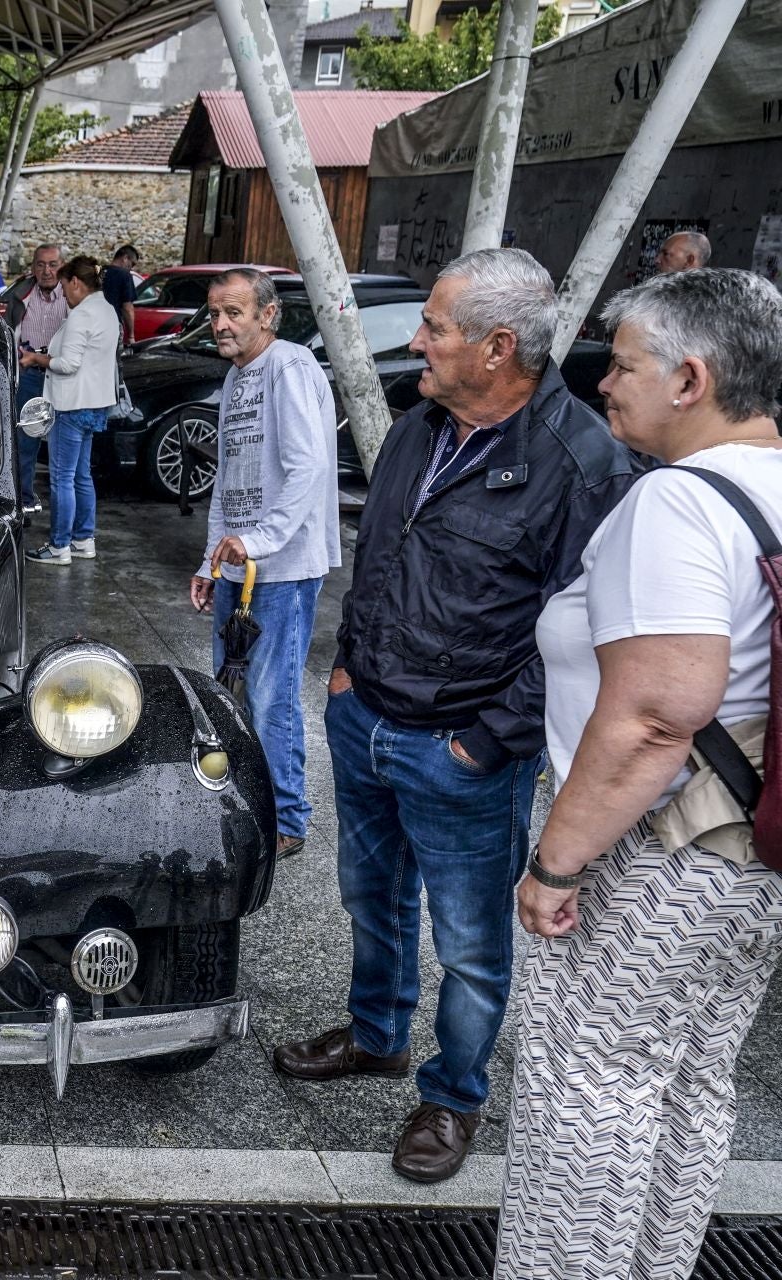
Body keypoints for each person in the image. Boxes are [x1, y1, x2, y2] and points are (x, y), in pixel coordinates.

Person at [273, 248, 637, 1184]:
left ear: (498, 346)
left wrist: (484, 742)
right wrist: (348, 670)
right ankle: (375, 1033)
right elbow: (381, 552)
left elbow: (584, 628)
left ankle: (454, 1095)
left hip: (465, 749)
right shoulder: (422, 425)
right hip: (368, 719)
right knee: (369, 894)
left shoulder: (581, 465)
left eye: (435, 326)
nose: (419, 342)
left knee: (471, 944)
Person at [498, 269, 782, 1279]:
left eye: (621, 364)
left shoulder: (677, 502)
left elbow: (659, 713)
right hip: (753, 855)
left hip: (650, 854)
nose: (602, 383)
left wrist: (559, 863)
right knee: (692, 1083)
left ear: (690, 378)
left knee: (587, 1091)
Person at [189, 268, 340, 860]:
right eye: (214, 314)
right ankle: (247, 801)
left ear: (267, 315)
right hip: (238, 564)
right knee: (232, 691)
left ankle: (287, 820)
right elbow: (228, 482)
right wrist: (210, 560)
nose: (221, 324)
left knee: (271, 695)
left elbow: (308, 467)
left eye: (234, 312)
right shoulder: (237, 378)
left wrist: (262, 540)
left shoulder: (290, 366)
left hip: (284, 567)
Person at [21, 255, 118, 566]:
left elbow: (67, 364)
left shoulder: (81, 315)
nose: (64, 293)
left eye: (65, 286)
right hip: (95, 404)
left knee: (62, 478)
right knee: (81, 475)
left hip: (71, 404)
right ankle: (83, 539)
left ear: (76, 282)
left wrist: (37, 360)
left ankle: (59, 545)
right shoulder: (107, 310)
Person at [0, 244, 68, 515]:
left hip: (63, 378)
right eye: (41, 264)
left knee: (63, 445)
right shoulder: (21, 295)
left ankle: (63, 512)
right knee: (24, 441)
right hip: (29, 377)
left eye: (53, 264)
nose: (47, 271)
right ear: (33, 267)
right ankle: (24, 501)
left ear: (62, 265)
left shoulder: (73, 297)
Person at [101, 244, 139, 343]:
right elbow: (127, 308)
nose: (131, 268)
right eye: (132, 264)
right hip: (112, 326)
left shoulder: (99, 272)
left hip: (93, 325)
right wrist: (131, 336)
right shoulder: (125, 275)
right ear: (125, 258)